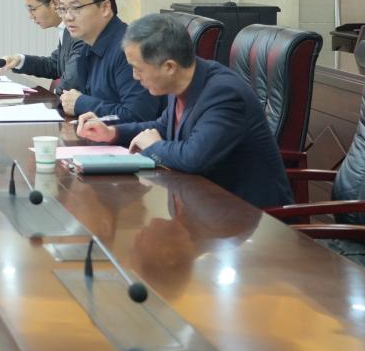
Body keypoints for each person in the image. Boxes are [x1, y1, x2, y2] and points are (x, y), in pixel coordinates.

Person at [77, 13, 293, 208]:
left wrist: (154, 146)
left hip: (251, 219)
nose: (134, 76)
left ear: (169, 67)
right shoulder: (184, 81)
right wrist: (112, 133)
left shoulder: (224, 94)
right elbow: (162, 126)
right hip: (205, 210)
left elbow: (194, 157)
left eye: (138, 69)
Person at [55, 0, 162, 121]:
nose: (68, 17)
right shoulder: (87, 46)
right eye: (63, 9)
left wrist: (81, 103)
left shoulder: (129, 50)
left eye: (76, 8)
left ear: (105, 8)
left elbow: (138, 115)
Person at [0, 0, 85, 91]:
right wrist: (19, 60)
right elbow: (55, 65)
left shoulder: (80, 32)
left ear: (55, 4)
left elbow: (70, 83)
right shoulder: (65, 30)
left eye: (33, 9)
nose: (30, 16)